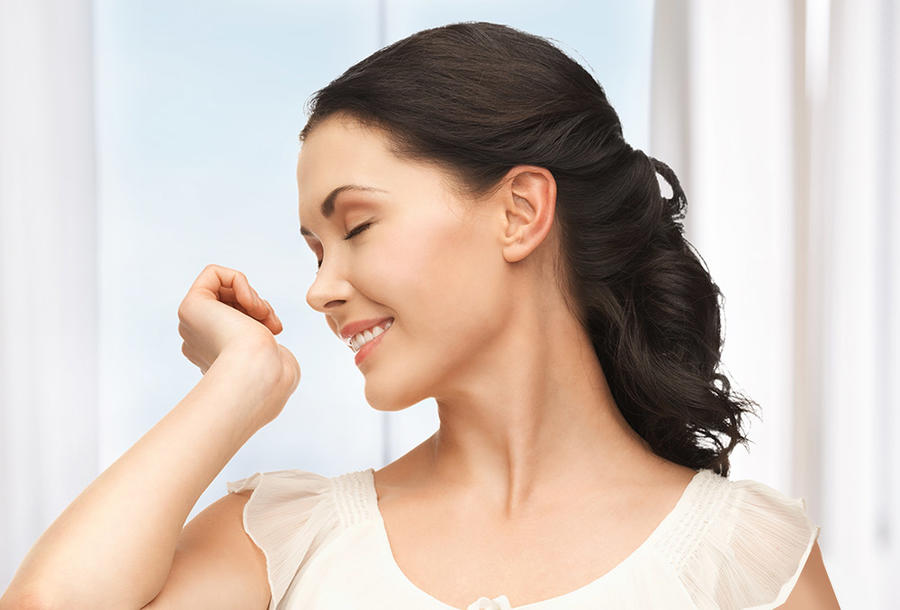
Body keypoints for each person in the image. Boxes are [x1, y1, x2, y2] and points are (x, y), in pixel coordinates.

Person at [0, 21, 840, 610]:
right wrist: (238, 383)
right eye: (315, 251)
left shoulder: (744, 561)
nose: (321, 290)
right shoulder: (288, 544)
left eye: (357, 226)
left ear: (519, 212)